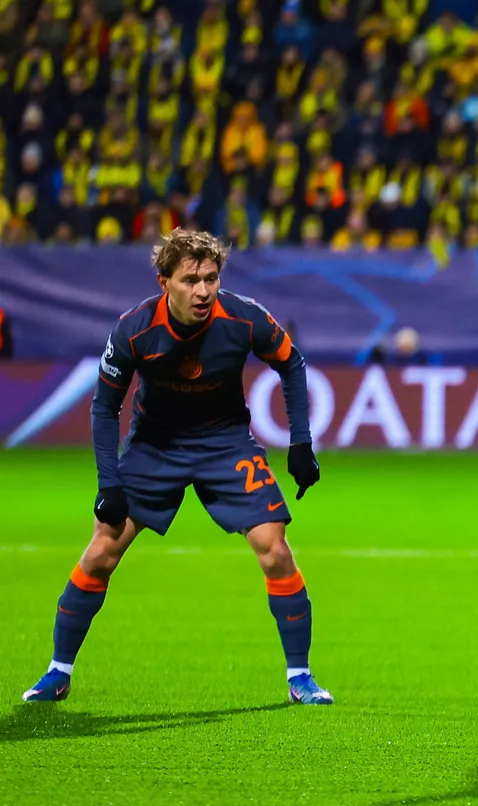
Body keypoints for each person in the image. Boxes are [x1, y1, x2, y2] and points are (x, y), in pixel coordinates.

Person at [22, 229, 329, 704]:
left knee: (274, 548)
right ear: (165, 281)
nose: (204, 290)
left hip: (225, 443)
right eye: (191, 280)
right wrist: (109, 484)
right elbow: (104, 408)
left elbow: (292, 363)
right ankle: (57, 672)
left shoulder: (244, 318)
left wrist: (301, 443)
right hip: (155, 446)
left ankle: (301, 677)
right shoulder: (134, 330)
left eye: (211, 278)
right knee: (102, 549)